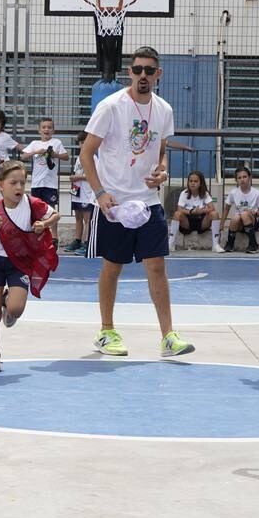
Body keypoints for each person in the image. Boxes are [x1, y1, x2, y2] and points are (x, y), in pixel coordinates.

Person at [79, 47, 193, 359]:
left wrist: (163, 171)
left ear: (159, 74)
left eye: (149, 70)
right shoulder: (111, 106)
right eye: (138, 69)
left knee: (156, 266)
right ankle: (106, 330)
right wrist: (101, 194)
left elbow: (160, 150)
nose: (143, 75)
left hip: (147, 201)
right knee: (112, 265)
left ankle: (168, 336)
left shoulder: (164, 110)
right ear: (129, 72)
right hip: (114, 201)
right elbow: (86, 153)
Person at [0, 159, 59, 372]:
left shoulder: (32, 203)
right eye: (13, 183)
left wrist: (43, 224)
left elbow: (56, 214)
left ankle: (8, 302)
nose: (19, 187)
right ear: (0, 185)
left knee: (16, 310)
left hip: (20, 262)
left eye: (22, 182)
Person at [20, 116, 68, 228]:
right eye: (44, 127)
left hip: (51, 184)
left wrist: (53, 154)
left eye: (49, 127)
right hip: (36, 183)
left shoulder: (56, 142)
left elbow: (66, 156)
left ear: (53, 130)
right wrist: (36, 151)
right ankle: (38, 234)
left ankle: (54, 237)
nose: (46, 129)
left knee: (51, 211)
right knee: (36, 209)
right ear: (39, 130)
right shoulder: (34, 143)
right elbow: (23, 156)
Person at [170, 170, 220, 253]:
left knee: (214, 214)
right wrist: (191, 211)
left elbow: (212, 208)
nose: (193, 183)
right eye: (191, 181)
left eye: (196, 181)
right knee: (177, 214)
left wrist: (201, 211)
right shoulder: (184, 193)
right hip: (188, 221)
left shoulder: (205, 194)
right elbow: (179, 209)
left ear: (201, 183)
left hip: (201, 220)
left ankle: (215, 245)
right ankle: (171, 244)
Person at [222, 166, 259, 253]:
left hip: (253, 221)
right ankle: (230, 244)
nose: (242, 179)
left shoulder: (256, 193)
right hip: (240, 223)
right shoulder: (233, 192)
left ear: (250, 177)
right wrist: (221, 224)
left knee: (244, 214)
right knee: (236, 217)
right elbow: (226, 209)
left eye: (244, 177)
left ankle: (253, 245)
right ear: (236, 180)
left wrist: (254, 212)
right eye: (239, 178)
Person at [65, 135, 95, 255]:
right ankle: (77, 240)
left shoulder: (94, 158)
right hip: (77, 192)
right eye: (81, 142)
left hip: (87, 193)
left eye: (85, 142)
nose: (82, 144)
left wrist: (79, 177)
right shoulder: (79, 158)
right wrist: (73, 177)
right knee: (78, 218)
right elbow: (77, 172)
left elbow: (94, 175)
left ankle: (87, 242)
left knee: (88, 220)